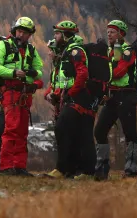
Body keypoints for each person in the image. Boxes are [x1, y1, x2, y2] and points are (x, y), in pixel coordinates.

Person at [0, 16, 43, 176]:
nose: (21, 35)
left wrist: (31, 74)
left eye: (25, 32)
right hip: (10, 92)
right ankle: (6, 166)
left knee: (23, 131)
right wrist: (13, 73)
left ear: (30, 35)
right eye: (19, 31)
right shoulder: (3, 45)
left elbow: (39, 72)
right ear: (15, 30)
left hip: (24, 94)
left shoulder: (32, 50)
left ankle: (19, 166)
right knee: (11, 129)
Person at [47, 21, 96, 178]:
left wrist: (71, 93)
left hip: (79, 95)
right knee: (75, 132)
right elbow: (65, 79)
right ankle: (71, 170)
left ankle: (66, 169)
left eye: (57, 34)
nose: (55, 37)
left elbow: (82, 74)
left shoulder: (75, 51)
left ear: (65, 35)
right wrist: (57, 93)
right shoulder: (67, 51)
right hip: (71, 95)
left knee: (63, 127)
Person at [94, 19, 137, 179]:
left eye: (112, 31)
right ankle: (102, 168)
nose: (109, 34)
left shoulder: (128, 51)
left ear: (121, 34)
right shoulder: (110, 51)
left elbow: (119, 71)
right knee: (99, 130)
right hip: (113, 96)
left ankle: (131, 169)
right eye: (107, 31)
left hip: (126, 95)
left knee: (129, 132)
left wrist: (103, 74)